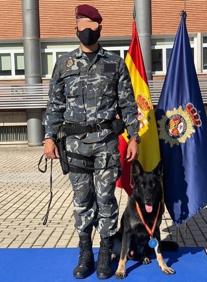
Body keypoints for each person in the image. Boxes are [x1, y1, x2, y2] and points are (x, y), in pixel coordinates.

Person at [43, 4, 140, 280]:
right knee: (82, 200)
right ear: (75, 28)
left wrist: (134, 137)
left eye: (91, 25)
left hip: (106, 144)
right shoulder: (64, 64)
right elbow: (54, 106)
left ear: (100, 27)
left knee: (106, 199)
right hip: (74, 146)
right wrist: (49, 137)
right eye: (81, 24)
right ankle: (86, 254)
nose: (86, 30)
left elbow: (128, 105)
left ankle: (106, 252)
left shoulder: (115, 64)